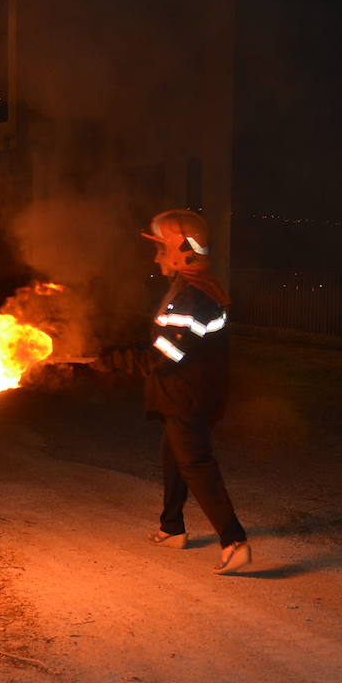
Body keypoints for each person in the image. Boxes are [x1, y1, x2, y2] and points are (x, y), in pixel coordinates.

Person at [95, 210, 250, 574]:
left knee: (195, 464)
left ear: (184, 252)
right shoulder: (192, 287)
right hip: (188, 391)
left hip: (188, 395)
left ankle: (235, 541)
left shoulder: (195, 296)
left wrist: (117, 361)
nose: (157, 258)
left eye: (162, 250)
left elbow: (168, 353)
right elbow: (166, 341)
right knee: (174, 457)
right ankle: (172, 528)